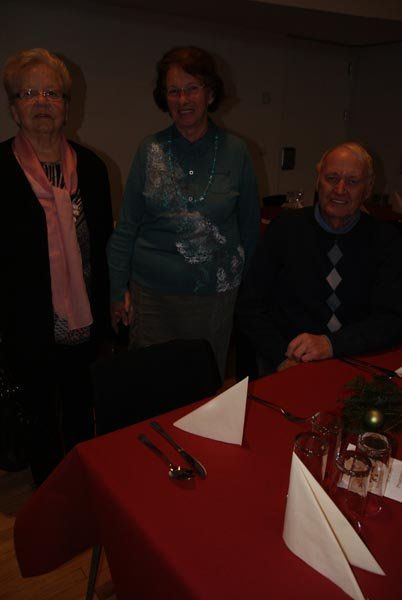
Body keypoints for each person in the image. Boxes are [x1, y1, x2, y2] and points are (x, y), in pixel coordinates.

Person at [107, 46, 260, 381]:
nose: (183, 99)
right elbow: (126, 227)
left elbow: (250, 230)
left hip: (214, 299)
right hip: (152, 297)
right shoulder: (150, 150)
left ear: (210, 93)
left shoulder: (236, 151)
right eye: (173, 91)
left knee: (203, 387)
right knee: (150, 385)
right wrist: (117, 290)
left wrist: (244, 294)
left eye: (192, 88)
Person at [0, 48, 113, 485]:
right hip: (25, 325)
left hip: (84, 323)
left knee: (82, 408)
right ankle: (50, 493)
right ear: (14, 108)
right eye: (28, 93)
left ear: (67, 105)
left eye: (52, 93)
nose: (41, 102)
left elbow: (103, 246)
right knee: (40, 416)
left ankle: (83, 486)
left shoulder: (93, 169)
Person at [235, 142, 402, 378]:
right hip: (288, 361)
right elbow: (250, 306)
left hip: (356, 360)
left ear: (368, 188)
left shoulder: (386, 239)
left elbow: (392, 319)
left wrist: (331, 345)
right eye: (332, 178)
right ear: (318, 181)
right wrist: (281, 357)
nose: (340, 189)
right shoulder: (285, 229)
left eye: (352, 181)